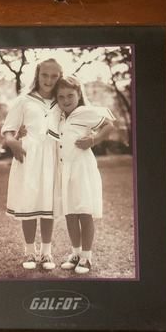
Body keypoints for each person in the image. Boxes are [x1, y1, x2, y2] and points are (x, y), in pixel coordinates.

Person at [48, 75, 115, 274]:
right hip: (64, 171)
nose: (66, 100)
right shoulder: (57, 116)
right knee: (70, 214)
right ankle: (75, 253)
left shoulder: (85, 112)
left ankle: (86, 257)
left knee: (84, 213)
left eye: (70, 95)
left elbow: (109, 124)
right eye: (61, 97)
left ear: (78, 94)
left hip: (82, 170)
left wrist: (93, 140)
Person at [1, 58, 62, 270]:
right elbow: (9, 128)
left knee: (48, 205)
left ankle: (46, 253)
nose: (49, 80)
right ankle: (29, 252)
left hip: (53, 157)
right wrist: (12, 143)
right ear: (37, 75)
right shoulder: (24, 100)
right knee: (29, 202)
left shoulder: (61, 100)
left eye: (55, 76)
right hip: (28, 155)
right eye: (45, 75)